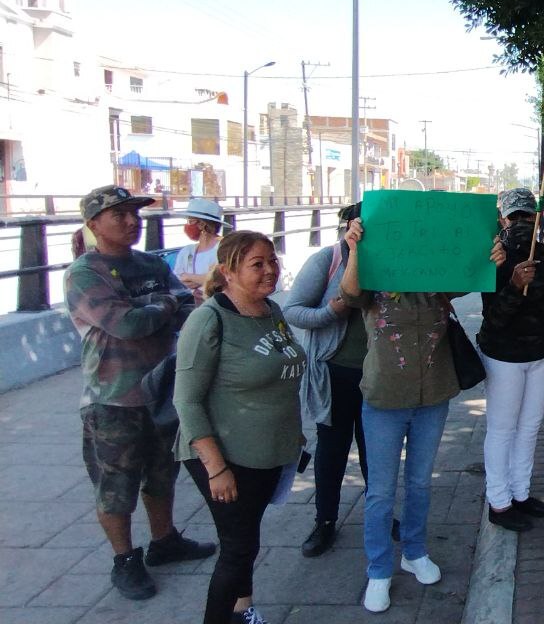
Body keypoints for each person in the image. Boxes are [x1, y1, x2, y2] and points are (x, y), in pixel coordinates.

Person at [341, 214, 507, 613]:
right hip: (383, 401)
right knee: (380, 492)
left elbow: (470, 274)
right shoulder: (375, 285)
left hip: (433, 397)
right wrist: (354, 250)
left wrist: (492, 252)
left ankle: (413, 551)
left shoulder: (435, 287)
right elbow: (349, 293)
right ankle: (378, 569)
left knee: (419, 483)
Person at [64, 185, 213, 602]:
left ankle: (165, 540)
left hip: (162, 390)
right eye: (119, 215)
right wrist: (165, 304)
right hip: (113, 399)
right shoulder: (84, 273)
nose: (132, 222)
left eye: (135, 214)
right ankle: (125, 559)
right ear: (93, 224)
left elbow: (191, 306)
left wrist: (158, 304)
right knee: (116, 485)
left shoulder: (150, 263)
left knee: (163, 472)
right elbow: (125, 324)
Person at [173, 231, 304, 624]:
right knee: (238, 548)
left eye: (273, 261)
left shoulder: (270, 310)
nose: (270, 271)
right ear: (229, 272)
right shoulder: (209, 320)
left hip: (268, 453)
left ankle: (242, 610)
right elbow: (187, 400)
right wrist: (217, 468)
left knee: (246, 539)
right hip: (225, 457)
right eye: (257, 264)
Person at [480, 189, 544, 532]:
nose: (521, 223)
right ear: (502, 219)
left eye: (526, 216)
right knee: (502, 429)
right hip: (504, 357)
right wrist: (515, 284)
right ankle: (499, 503)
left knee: (530, 428)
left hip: (541, 355)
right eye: (514, 217)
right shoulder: (494, 256)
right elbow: (494, 318)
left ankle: (521, 493)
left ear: (535, 217)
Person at [283, 203, 369, 557]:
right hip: (334, 373)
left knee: (375, 452)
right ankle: (325, 520)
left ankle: (379, 515)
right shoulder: (328, 259)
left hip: (379, 376)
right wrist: (330, 312)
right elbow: (292, 310)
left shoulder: (392, 260)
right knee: (332, 449)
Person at [172, 198, 227, 303]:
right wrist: (203, 279)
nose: (187, 226)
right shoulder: (186, 251)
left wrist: (188, 276)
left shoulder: (225, 248)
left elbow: (222, 279)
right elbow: (177, 281)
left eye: (190, 221)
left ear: (202, 224)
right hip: (190, 305)